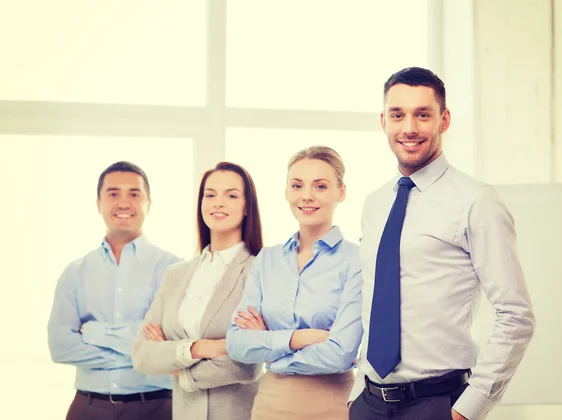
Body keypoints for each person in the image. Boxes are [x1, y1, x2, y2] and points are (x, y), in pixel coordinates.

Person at [348, 67, 536, 420]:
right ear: (383, 121)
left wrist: (467, 409)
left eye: (423, 114)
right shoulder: (375, 204)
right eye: (397, 114)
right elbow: (375, 303)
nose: (409, 128)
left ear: (444, 119)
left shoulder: (476, 201)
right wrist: (358, 392)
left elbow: (516, 315)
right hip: (369, 404)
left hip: (436, 404)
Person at [226, 146, 363, 420]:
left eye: (320, 186)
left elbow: (340, 353)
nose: (307, 196)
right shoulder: (267, 259)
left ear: (341, 192)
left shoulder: (357, 259)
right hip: (269, 404)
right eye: (297, 185)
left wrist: (270, 350)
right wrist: (303, 337)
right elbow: (237, 344)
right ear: (287, 192)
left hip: (333, 403)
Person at [47, 161, 181, 420]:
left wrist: (94, 333)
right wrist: (143, 354)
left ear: (148, 204)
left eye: (134, 194)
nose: (123, 202)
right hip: (87, 408)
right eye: (113, 194)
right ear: (98, 204)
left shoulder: (173, 268)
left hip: (155, 408)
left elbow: (171, 344)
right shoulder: (75, 272)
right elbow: (60, 346)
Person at [131, 162, 264, 420]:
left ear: (248, 206)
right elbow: (141, 353)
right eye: (210, 194)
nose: (218, 203)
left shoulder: (259, 271)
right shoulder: (176, 274)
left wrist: (176, 364)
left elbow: (248, 364)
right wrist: (198, 349)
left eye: (231, 195)